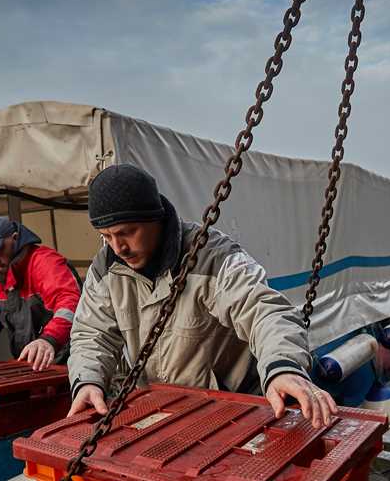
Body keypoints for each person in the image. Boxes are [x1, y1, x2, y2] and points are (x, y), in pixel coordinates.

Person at [66, 163, 338, 428]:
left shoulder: (213, 257)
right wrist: (88, 380)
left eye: (127, 233)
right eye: (107, 236)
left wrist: (283, 367)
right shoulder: (105, 268)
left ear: (155, 217)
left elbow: (263, 311)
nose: (119, 247)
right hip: (157, 415)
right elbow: (92, 333)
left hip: (230, 413)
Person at [0, 215, 81, 371]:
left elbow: (70, 303)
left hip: (70, 364)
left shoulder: (45, 262)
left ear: (15, 238)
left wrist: (49, 339)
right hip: (32, 366)